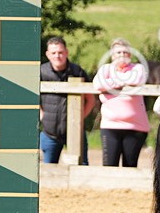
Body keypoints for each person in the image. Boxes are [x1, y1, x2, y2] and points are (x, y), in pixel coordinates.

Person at [93, 38, 150, 167]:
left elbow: (137, 79)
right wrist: (123, 82)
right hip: (110, 126)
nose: (122, 55)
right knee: (109, 165)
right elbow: (97, 84)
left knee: (130, 165)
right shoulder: (105, 69)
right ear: (112, 56)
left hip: (136, 127)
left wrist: (111, 84)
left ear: (130, 55)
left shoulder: (138, 68)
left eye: (125, 53)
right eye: (118, 53)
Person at [40, 37, 95, 165]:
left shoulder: (77, 71)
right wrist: (42, 115)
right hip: (49, 132)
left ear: (66, 52)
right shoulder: (41, 72)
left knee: (82, 167)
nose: (57, 56)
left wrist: (80, 118)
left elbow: (90, 99)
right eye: (53, 53)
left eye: (60, 52)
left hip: (75, 131)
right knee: (48, 170)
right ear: (48, 54)